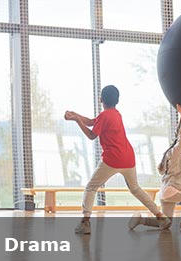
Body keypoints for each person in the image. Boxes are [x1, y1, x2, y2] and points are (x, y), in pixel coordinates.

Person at [64, 85, 171, 234]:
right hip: (128, 157)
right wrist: (76, 115)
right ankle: (161, 217)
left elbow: (91, 135)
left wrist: (76, 120)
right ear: (117, 101)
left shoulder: (105, 115)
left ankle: (85, 222)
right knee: (135, 189)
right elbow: (91, 121)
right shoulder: (115, 114)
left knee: (91, 187)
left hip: (113, 159)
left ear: (100, 99)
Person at [128, 104, 181, 231]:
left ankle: (140, 220)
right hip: (173, 190)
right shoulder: (175, 154)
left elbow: (178, 136)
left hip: (165, 193)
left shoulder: (171, 153)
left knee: (166, 223)